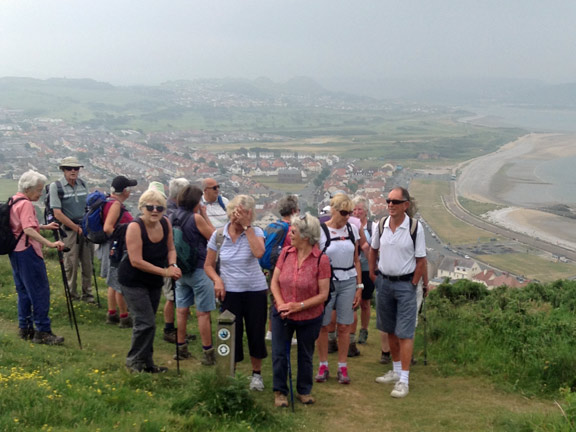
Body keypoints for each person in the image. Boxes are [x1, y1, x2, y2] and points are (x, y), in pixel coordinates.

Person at [204, 194, 268, 390]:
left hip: (255, 291)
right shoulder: (219, 235)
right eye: (234, 212)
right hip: (230, 291)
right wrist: (217, 281)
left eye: (241, 213)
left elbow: (259, 253)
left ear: (249, 214)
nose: (236, 217)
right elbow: (208, 265)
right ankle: (231, 373)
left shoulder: (256, 231)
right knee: (232, 333)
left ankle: (256, 375)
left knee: (256, 332)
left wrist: (247, 227)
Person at [370, 187, 427, 398]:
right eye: (388, 201)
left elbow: (421, 260)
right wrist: (374, 275)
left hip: (404, 285)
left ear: (406, 205)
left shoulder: (415, 228)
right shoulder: (381, 225)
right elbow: (373, 250)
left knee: (405, 332)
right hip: (384, 282)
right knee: (390, 329)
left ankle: (404, 380)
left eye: (395, 201)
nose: (390, 205)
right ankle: (395, 371)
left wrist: (412, 283)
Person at [118, 189, 182, 373]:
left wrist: (173, 264)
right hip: (133, 280)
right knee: (145, 321)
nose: (155, 211)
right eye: (150, 207)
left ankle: (147, 363)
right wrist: (165, 272)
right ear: (142, 208)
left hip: (154, 280)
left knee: (149, 321)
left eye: (159, 208)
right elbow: (135, 260)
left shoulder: (165, 223)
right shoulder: (134, 227)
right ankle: (134, 362)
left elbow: (171, 248)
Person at [270, 213, 330, 407]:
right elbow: (274, 283)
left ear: (306, 236)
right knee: (279, 353)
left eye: (293, 231)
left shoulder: (321, 260)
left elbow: (323, 294)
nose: (290, 234)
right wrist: (281, 304)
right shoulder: (285, 253)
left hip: (309, 316)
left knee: (305, 354)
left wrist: (299, 306)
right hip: (282, 313)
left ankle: (304, 390)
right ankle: (280, 392)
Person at [8, 170, 65, 344]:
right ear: (28, 189)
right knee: (39, 291)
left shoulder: (13, 200)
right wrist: (50, 244)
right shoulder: (26, 204)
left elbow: (19, 225)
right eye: (38, 190)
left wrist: (44, 227)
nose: (40, 194)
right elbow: (28, 229)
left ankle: (24, 327)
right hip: (28, 251)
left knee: (23, 291)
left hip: (15, 251)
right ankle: (42, 331)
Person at [315, 193, 362, 385]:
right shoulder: (320, 231)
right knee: (324, 325)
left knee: (344, 325)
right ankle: (323, 364)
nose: (347, 216)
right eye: (344, 212)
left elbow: (356, 259)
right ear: (333, 210)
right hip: (327, 281)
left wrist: (359, 286)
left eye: (350, 213)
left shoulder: (352, 230)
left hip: (349, 280)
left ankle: (342, 366)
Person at [170, 185, 216, 365]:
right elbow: (214, 237)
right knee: (202, 313)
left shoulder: (172, 215)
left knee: (181, 310)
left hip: (180, 269)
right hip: (199, 268)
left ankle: (180, 347)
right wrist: (204, 215)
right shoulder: (195, 218)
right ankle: (208, 352)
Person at [49, 156, 94, 303]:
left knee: (88, 263)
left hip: (84, 228)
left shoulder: (83, 184)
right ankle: (72, 296)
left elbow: (88, 207)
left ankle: (88, 294)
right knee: (71, 263)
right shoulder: (56, 187)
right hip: (68, 230)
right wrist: (76, 228)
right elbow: (57, 213)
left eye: (76, 168)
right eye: (69, 168)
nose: (73, 171)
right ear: (63, 170)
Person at [100, 175, 137, 328]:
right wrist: (123, 237)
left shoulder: (108, 201)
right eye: (129, 188)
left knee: (112, 281)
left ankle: (112, 313)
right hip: (119, 246)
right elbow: (108, 227)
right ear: (125, 191)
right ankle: (124, 317)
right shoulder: (116, 205)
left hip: (112, 246)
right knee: (120, 282)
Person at [265, 194, 299, 342]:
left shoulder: (273, 226)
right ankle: (285, 333)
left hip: (272, 267)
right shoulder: (291, 229)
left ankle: (270, 331)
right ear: (293, 210)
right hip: (286, 269)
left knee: (274, 298)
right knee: (285, 299)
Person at [162, 178, 189, 343]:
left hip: (175, 257)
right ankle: (169, 329)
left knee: (176, 295)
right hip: (170, 258)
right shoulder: (170, 211)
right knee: (172, 296)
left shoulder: (172, 208)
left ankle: (177, 330)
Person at [352, 196, 376, 346]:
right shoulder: (350, 225)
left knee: (365, 302)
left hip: (367, 269)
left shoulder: (372, 228)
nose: (356, 212)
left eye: (359, 209)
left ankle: (364, 329)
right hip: (353, 269)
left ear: (366, 211)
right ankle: (350, 333)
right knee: (352, 302)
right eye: (354, 209)